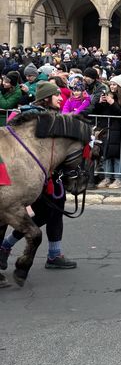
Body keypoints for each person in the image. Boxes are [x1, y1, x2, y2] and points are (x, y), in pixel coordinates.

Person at [0, 81, 79, 285]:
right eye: (57, 95)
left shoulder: (53, 118)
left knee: (52, 211)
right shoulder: (36, 117)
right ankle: (8, 247)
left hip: (47, 176)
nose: (61, 98)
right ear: (46, 98)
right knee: (33, 213)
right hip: (30, 176)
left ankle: (52, 253)